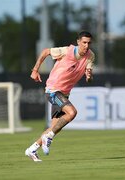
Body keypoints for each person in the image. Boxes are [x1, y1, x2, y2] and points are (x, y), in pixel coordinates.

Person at [25, 31, 95, 162]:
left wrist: (89, 76)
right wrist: (35, 70)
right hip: (53, 89)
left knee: (55, 127)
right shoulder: (67, 51)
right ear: (78, 42)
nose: (86, 45)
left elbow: (89, 79)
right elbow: (46, 51)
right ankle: (48, 137)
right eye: (84, 42)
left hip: (64, 94)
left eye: (89, 43)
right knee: (72, 112)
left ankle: (32, 149)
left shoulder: (90, 56)